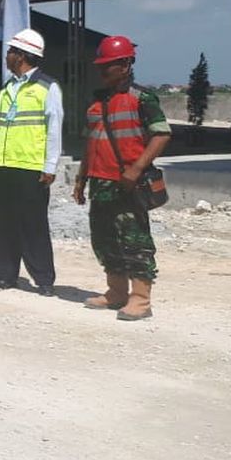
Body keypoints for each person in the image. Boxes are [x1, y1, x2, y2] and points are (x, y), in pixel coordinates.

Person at [74, 35, 171, 321]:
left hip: (129, 184)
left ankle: (140, 298)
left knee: (135, 240)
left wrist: (136, 168)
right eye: (101, 67)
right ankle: (116, 292)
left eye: (109, 66)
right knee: (104, 239)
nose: (103, 72)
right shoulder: (96, 104)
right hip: (100, 183)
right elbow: (89, 144)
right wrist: (81, 179)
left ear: (126, 65)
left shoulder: (142, 99)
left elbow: (162, 134)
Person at [0, 28, 64, 296]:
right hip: (5, 166)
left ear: (21, 56)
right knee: (3, 223)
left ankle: (43, 278)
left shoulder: (47, 87)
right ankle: (6, 274)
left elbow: (54, 128)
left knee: (33, 224)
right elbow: (2, 129)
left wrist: (50, 166)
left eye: (10, 51)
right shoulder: (7, 88)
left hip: (31, 168)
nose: (7, 55)